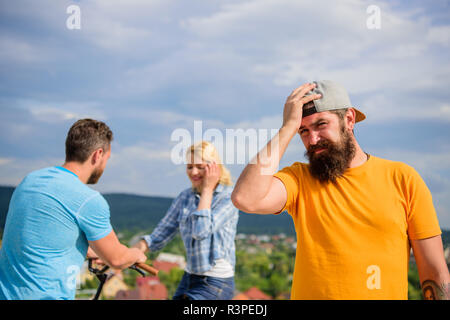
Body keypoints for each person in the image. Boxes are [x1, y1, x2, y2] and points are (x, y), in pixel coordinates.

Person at [231, 80, 449, 300]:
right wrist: (287, 128)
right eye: (303, 131)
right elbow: (245, 198)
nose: (312, 139)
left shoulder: (403, 178)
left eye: (321, 124)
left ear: (349, 119)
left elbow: (434, 271)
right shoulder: (299, 179)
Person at [0, 119, 146, 300]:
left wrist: (88, 250)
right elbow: (117, 259)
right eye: (107, 159)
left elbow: (40, 238)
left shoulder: (30, 181)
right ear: (97, 155)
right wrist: (136, 253)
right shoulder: (89, 199)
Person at [133, 141, 239, 300]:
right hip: (189, 277)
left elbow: (201, 231)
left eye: (200, 166)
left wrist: (207, 190)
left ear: (214, 167)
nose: (193, 172)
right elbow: (161, 233)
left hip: (216, 282)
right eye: (189, 167)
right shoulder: (185, 197)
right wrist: (132, 251)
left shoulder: (228, 198)